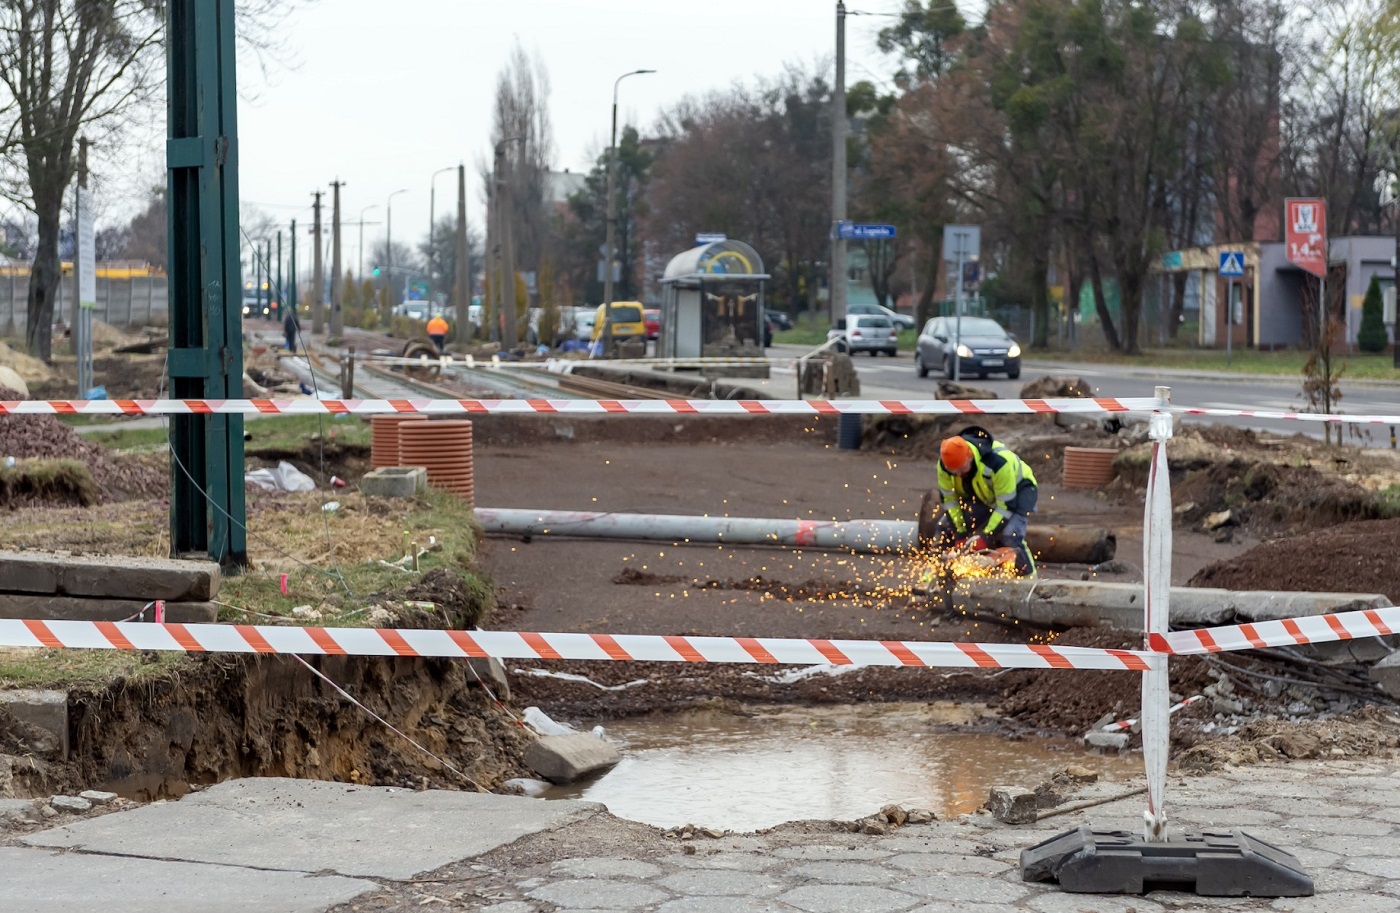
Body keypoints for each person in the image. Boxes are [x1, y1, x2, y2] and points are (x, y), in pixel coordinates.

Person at [933, 425, 1039, 576]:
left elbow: (1005, 506)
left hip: (1019, 492)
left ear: (969, 456)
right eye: (953, 472)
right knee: (945, 528)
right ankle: (934, 577)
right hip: (986, 494)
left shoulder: (998, 463)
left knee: (1009, 535)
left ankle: (1029, 578)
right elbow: (950, 502)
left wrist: (986, 537)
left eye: (961, 470)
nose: (957, 475)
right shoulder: (945, 466)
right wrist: (960, 534)